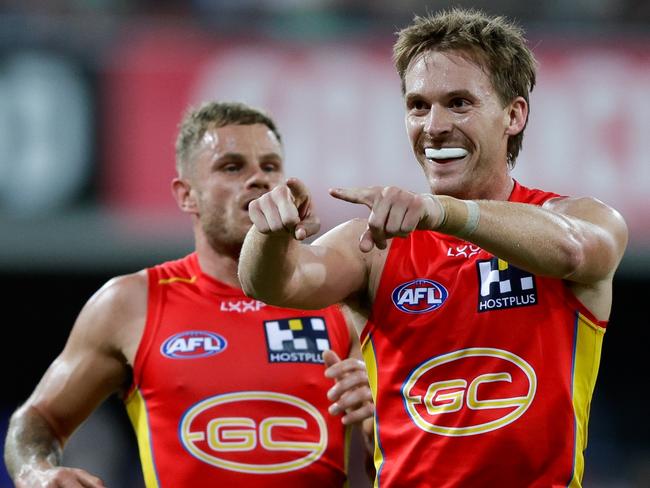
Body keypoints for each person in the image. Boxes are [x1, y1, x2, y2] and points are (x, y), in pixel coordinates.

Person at [237, 8, 628, 487]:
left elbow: (575, 251)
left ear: (514, 114)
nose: (434, 125)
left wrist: (443, 212)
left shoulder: (580, 217)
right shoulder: (374, 246)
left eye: (459, 103)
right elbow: (275, 283)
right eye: (418, 106)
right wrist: (267, 233)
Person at [4, 101, 373, 487]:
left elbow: (386, 458)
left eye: (269, 166)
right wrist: (36, 472)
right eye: (231, 167)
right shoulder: (130, 305)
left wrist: (379, 413)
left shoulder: (339, 303)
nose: (258, 180)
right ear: (186, 196)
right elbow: (36, 421)